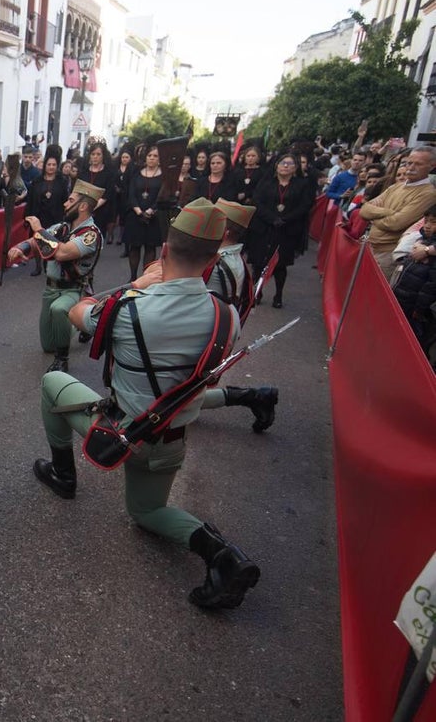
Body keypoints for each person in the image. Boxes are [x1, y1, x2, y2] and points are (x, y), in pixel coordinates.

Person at [32, 200, 260, 610]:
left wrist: (138, 284)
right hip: (170, 443)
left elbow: (79, 312)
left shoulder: (128, 307)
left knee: (52, 382)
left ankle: (63, 475)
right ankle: (222, 554)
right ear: (213, 257)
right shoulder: (227, 316)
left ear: (165, 251)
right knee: (147, 511)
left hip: (120, 433)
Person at [199, 198, 279, 432]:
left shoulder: (216, 262)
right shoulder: (231, 258)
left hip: (206, 330)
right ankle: (255, 397)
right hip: (217, 327)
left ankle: (254, 397)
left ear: (224, 231)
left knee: (175, 402)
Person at [7, 181, 104, 373]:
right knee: (47, 346)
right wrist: (21, 247)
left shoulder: (90, 235)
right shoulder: (62, 228)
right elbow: (37, 242)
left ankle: (62, 359)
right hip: (51, 288)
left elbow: (62, 253)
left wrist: (39, 230)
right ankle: (82, 324)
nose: (65, 204)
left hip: (73, 288)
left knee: (59, 310)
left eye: (70, 201)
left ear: (83, 206)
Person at [247, 153, 314, 308]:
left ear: (295, 168)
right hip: (264, 227)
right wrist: (271, 218)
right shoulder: (266, 182)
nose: (285, 166)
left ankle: (278, 295)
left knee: (280, 265)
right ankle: (257, 292)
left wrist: (286, 219)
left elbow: (305, 205)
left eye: (290, 164)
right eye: (283, 163)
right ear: (276, 165)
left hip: (287, 229)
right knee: (258, 263)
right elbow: (257, 201)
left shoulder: (301, 185)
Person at [360, 146, 436, 279]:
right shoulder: (396, 186)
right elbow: (365, 210)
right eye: (409, 163)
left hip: (388, 256)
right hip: (370, 248)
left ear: (432, 166)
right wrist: (390, 212)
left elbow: (396, 223)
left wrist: (374, 218)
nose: (411, 167)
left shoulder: (428, 193)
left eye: (418, 164)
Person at [392, 206, 436, 348]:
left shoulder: (429, 250)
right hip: (404, 298)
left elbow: (431, 286)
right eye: (427, 221)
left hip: (418, 308)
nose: (428, 226)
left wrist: (420, 308)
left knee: (414, 342)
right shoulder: (422, 241)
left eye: (433, 222)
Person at [126, 145, 164, 280]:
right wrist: (138, 211)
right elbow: (131, 194)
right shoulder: (137, 173)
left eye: (155, 156)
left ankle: (146, 278)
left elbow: (162, 196)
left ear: (160, 159)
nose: (152, 158)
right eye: (149, 156)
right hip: (135, 216)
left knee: (150, 248)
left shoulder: (163, 176)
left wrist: (150, 211)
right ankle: (133, 277)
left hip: (153, 217)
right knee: (134, 247)